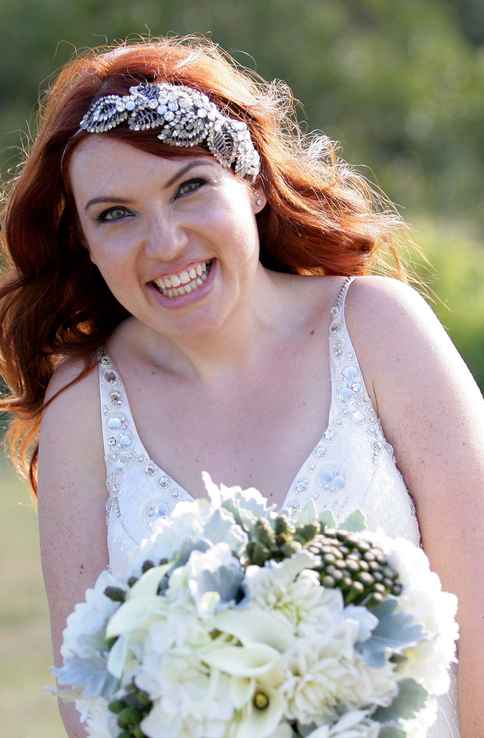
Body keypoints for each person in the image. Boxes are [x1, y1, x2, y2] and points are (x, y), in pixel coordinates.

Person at [0, 35, 481, 738]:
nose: (164, 244)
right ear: (85, 243)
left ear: (251, 182)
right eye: (116, 214)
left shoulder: (379, 330)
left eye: (189, 187)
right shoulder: (84, 403)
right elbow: (92, 704)